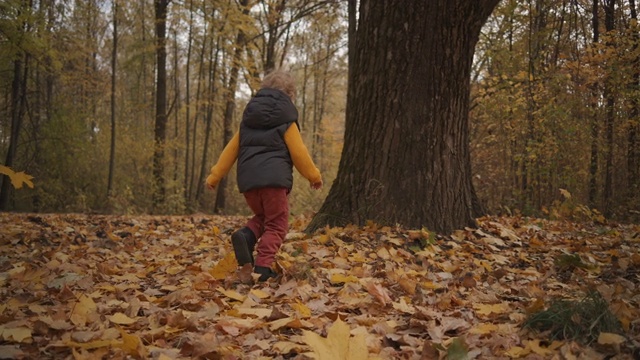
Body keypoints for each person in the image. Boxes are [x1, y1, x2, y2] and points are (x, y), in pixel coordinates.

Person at [206, 69, 323, 282]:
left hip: (249, 184)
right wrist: (314, 176)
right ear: (290, 95)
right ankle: (263, 266)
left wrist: (214, 176)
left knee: (263, 217)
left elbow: (230, 151)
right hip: (274, 183)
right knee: (277, 223)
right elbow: (299, 153)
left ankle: (246, 236)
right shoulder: (286, 120)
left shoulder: (248, 121)